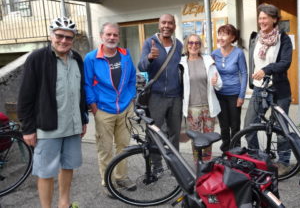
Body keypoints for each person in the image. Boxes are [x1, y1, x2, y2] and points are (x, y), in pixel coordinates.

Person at [17, 17, 88, 208]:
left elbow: (80, 91)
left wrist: (83, 119)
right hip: (48, 127)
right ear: (51, 36)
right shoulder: (37, 58)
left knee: (68, 166)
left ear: (73, 39)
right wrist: (28, 129)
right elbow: (25, 97)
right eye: (59, 36)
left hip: (73, 126)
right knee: (46, 172)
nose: (64, 40)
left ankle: (63, 203)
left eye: (68, 37)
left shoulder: (77, 59)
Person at [84, 22, 137, 195]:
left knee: (123, 146)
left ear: (118, 37)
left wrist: (131, 98)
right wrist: (94, 107)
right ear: (102, 36)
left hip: (124, 108)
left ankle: (121, 177)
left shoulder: (125, 56)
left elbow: (131, 79)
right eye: (108, 34)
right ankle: (108, 181)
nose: (112, 37)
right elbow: (87, 84)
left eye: (115, 35)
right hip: (103, 110)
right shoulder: (91, 58)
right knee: (105, 149)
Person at [244, 3, 293, 174]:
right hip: (259, 90)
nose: (261, 21)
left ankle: (284, 162)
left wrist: (266, 70)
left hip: (279, 90)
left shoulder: (284, 39)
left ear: (274, 19)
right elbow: (253, 61)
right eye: (260, 18)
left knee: (281, 129)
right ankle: (258, 159)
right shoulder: (255, 38)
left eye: (265, 18)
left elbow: (285, 63)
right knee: (249, 126)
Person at [138, 14, 183, 171]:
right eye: (163, 22)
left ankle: (174, 166)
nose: (167, 26)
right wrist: (150, 57)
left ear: (174, 26)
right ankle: (157, 166)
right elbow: (141, 67)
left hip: (176, 96)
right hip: (156, 96)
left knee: (174, 134)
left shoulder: (179, 45)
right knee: (155, 132)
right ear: (159, 25)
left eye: (170, 23)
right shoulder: (150, 42)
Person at [180, 34, 222, 163]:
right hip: (192, 108)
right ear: (187, 45)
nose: (194, 45)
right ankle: (197, 163)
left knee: (208, 137)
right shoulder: (181, 63)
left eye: (197, 43)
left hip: (209, 107)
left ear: (200, 45)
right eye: (191, 43)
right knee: (196, 138)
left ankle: (207, 162)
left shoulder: (208, 60)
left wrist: (215, 82)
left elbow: (220, 84)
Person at [212, 24, 248, 152]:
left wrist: (241, 95)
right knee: (223, 125)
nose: (220, 37)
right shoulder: (214, 53)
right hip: (219, 94)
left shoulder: (238, 53)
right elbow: (209, 71)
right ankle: (226, 150)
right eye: (219, 34)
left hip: (234, 94)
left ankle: (236, 150)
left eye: (224, 34)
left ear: (232, 37)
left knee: (235, 125)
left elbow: (244, 74)